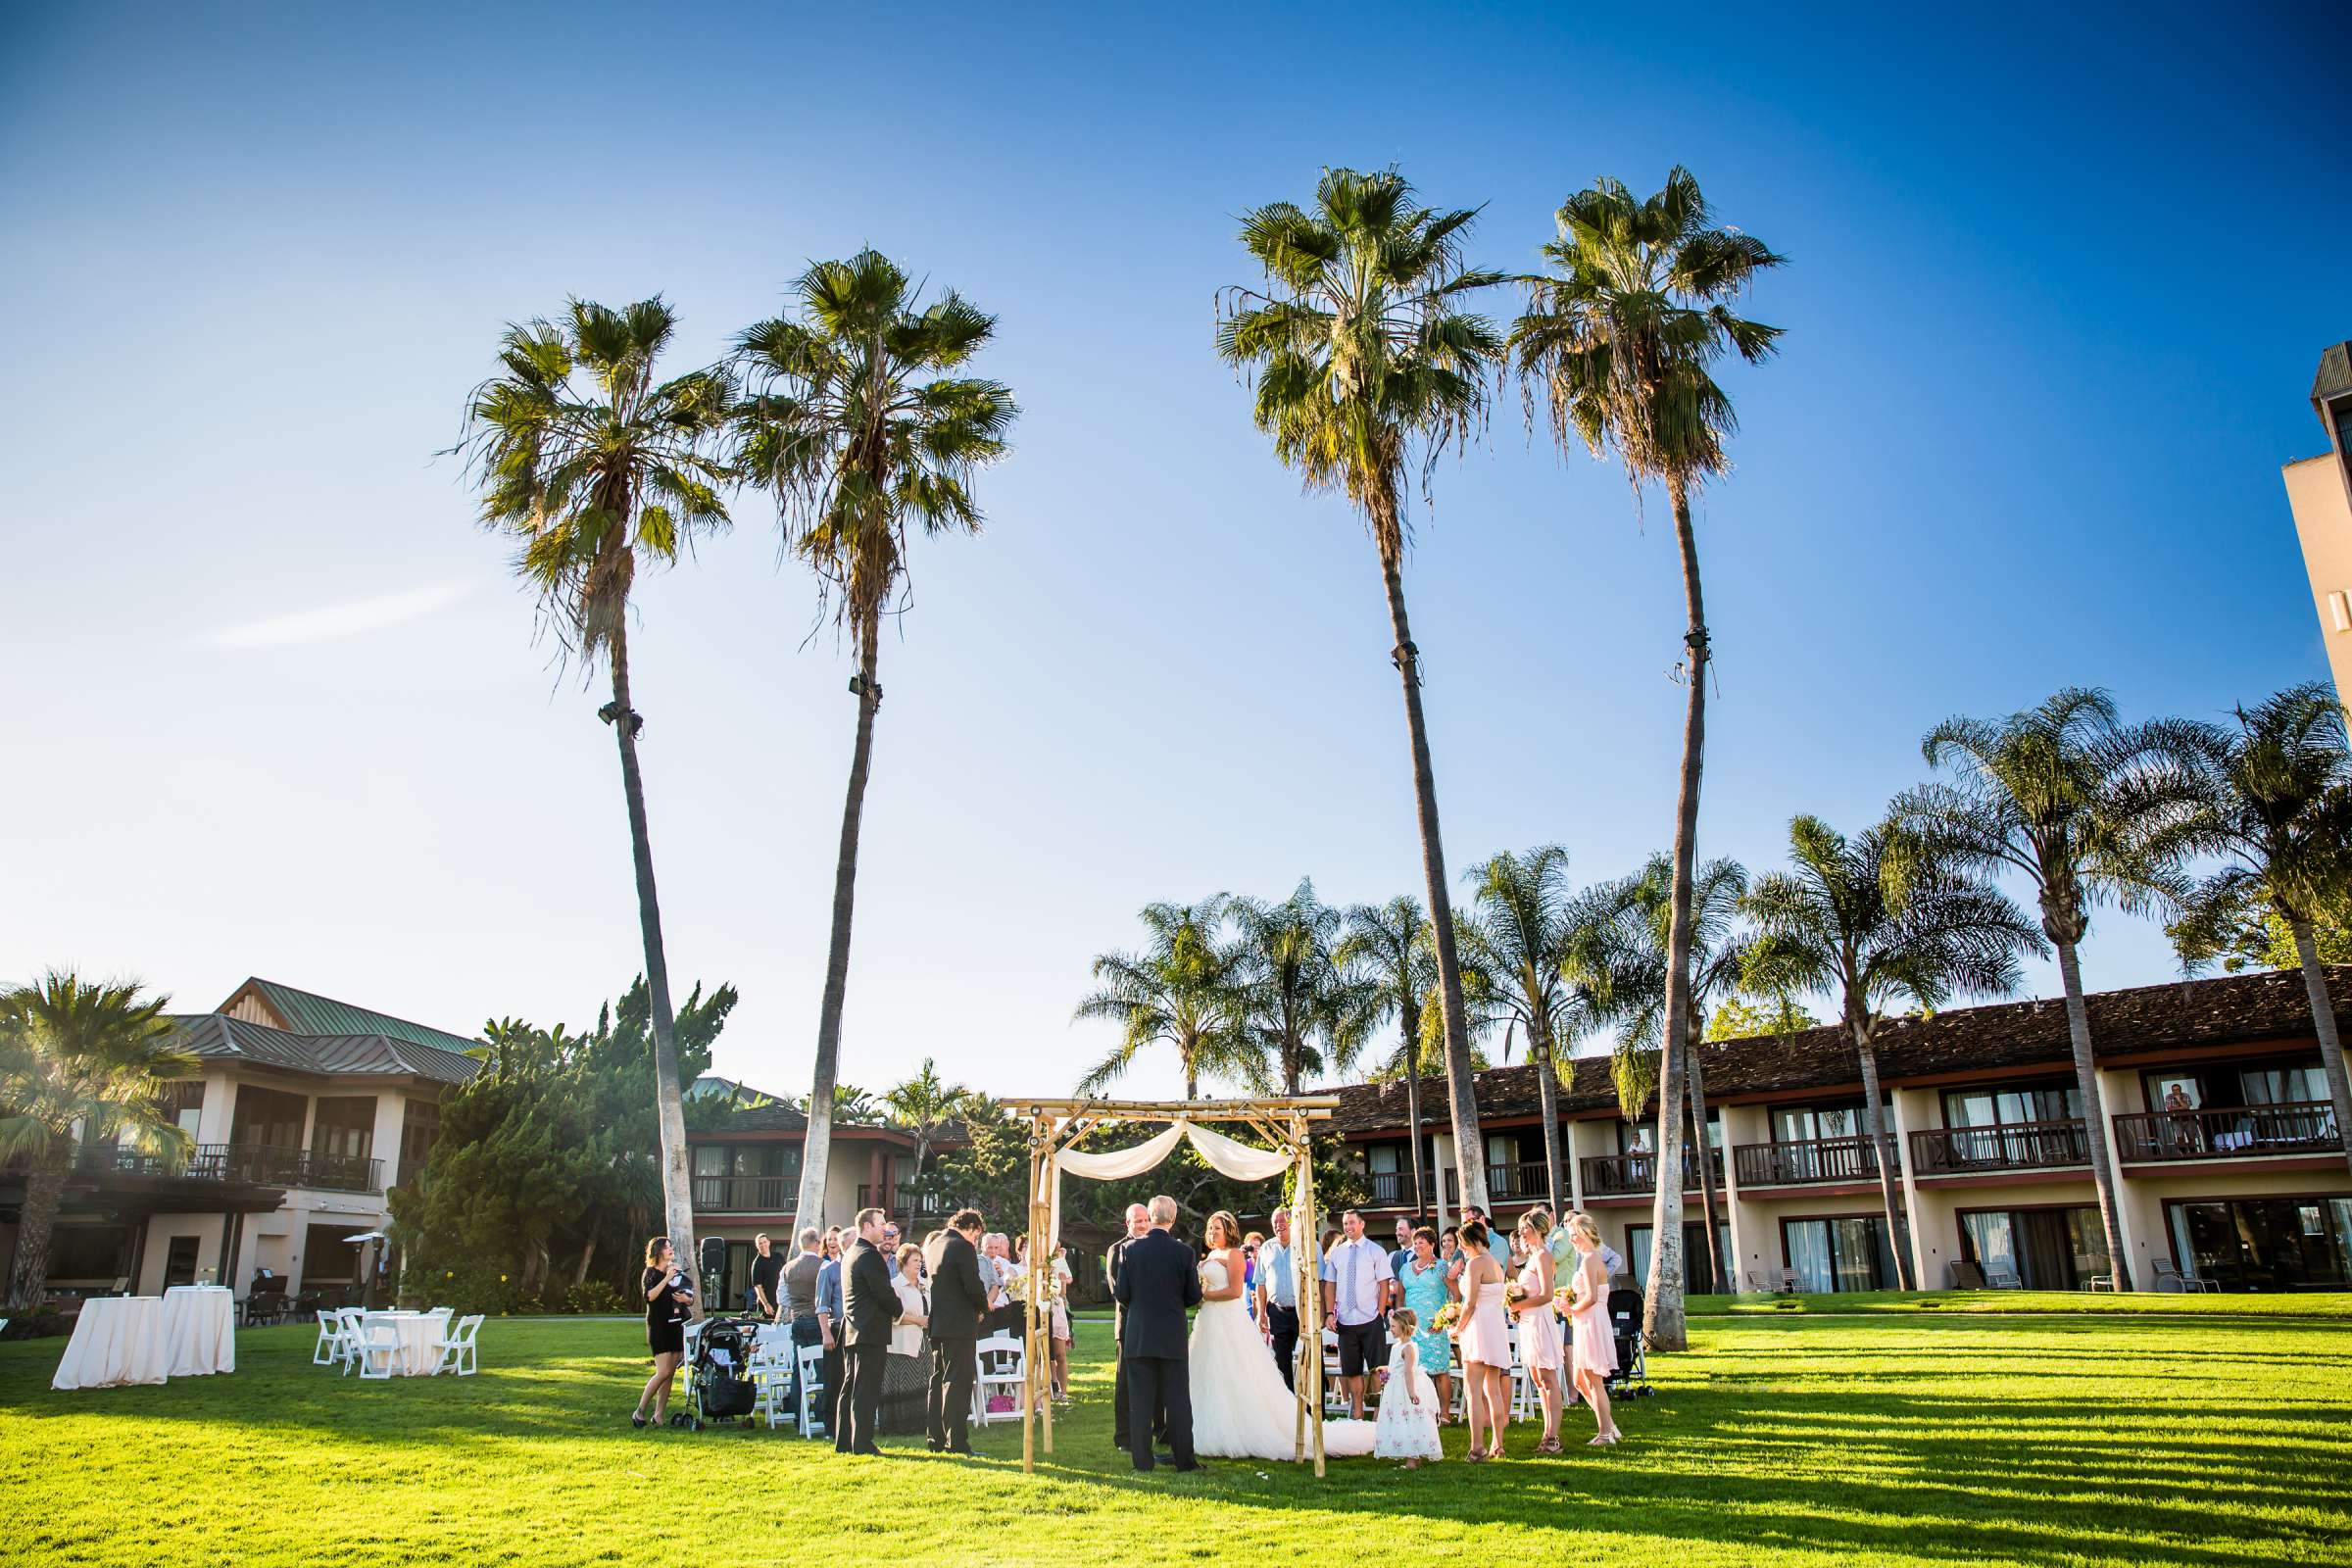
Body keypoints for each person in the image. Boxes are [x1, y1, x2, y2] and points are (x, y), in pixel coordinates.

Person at [1188, 1208, 1376, 1460]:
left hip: (1233, 1319)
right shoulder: (1215, 1254)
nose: (1212, 1232)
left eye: (1217, 1228)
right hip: (1213, 1320)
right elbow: (1259, 1284)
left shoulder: (1234, 1254)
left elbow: (1234, 1291)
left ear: (1229, 1231)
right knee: (1211, 1372)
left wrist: (1205, 1295)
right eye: (1210, 1228)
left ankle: (1296, 1416)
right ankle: (1209, 1425)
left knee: (1236, 1370)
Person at [1112, 1195, 1203, 1472]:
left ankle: (1142, 1461)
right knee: (1177, 1402)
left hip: (1139, 1334)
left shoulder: (1129, 1250)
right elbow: (1193, 1296)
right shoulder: (1184, 1253)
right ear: (1173, 1219)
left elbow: (1121, 1293)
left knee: (1139, 1404)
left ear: (1150, 1218)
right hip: (1171, 1336)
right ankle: (1185, 1461)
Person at [921, 1209, 987, 1454]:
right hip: (959, 1323)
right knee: (958, 1382)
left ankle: (935, 1437)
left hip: (939, 1322)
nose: (976, 1241)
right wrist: (983, 1306)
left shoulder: (935, 1243)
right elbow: (972, 1284)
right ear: (970, 1227)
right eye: (977, 1235)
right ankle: (956, 1441)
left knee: (938, 1379)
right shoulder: (962, 1247)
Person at [1320, 1209, 1394, 1420]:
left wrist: (1380, 1313)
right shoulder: (1337, 1253)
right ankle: (1358, 1413)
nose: (1348, 1227)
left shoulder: (1375, 1251)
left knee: (1377, 1368)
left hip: (1370, 1319)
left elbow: (1384, 1284)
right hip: (1345, 1319)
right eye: (1345, 1223)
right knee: (1351, 1370)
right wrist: (1329, 1313)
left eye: (1352, 1222)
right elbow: (1330, 1285)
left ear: (1362, 1224)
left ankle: (1379, 1414)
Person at [835, 1207, 894, 1455]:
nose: (886, 1230)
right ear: (867, 1226)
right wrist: (900, 1309)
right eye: (881, 1224)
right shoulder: (869, 1256)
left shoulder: (850, 1253)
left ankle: (845, 1440)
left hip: (853, 1329)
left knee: (851, 1386)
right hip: (870, 1330)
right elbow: (883, 1293)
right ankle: (862, 1442)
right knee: (865, 1388)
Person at [1562, 1212, 1622, 1446]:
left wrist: (1570, 1309)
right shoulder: (1590, 1257)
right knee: (1579, 1380)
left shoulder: (1589, 1260)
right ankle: (1609, 1425)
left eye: (1574, 1235)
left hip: (1591, 1320)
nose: (1572, 1240)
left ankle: (1605, 1433)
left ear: (1586, 1234)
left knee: (1593, 1380)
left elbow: (1591, 1297)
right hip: (1588, 1319)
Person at [1454, 1220, 1510, 1462]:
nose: (1461, 1248)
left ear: (1473, 1241)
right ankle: (1498, 1444)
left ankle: (1477, 1448)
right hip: (1495, 1325)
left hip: (1478, 1325)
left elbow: (1471, 1302)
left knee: (1473, 1390)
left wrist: (1458, 1327)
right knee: (1493, 1389)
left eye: (1463, 1243)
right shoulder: (1496, 1264)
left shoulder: (1476, 1263)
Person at [1105, 1202, 1159, 1453]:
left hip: (1155, 1327)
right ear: (1127, 1223)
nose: (1142, 1224)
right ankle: (1125, 1437)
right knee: (1126, 1383)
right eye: (1137, 1220)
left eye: (1145, 1219)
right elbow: (1118, 1290)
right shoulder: (1117, 1249)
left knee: (1158, 1380)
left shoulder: (1157, 1247)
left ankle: (1161, 1431)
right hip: (1128, 1325)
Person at [1510, 1211, 1565, 1453]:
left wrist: (1519, 1305)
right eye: (1521, 1228)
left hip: (1540, 1321)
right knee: (1538, 1380)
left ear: (1538, 1230)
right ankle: (1546, 1433)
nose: (1522, 1232)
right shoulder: (1531, 1258)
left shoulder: (1543, 1256)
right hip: (1527, 1322)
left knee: (1549, 1379)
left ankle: (1553, 1438)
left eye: (1526, 1228)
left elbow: (1546, 1294)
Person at [1393, 1225, 1455, 1424]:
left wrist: (1446, 1318)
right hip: (1412, 1330)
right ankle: (1418, 1411)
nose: (1418, 1245)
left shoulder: (1441, 1267)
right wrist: (1401, 1324)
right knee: (1413, 1371)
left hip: (1435, 1327)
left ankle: (1445, 1413)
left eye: (1422, 1242)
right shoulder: (1405, 1269)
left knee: (1440, 1371)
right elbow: (1400, 1299)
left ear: (1432, 1245)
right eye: (1416, 1242)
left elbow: (1456, 1294)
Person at [631, 1236, 694, 1429]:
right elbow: (649, 1296)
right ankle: (640, 1410)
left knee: (670, 1373)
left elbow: (688, 1297)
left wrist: (686, 1299)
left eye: (671, 1247)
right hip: (659, 1327)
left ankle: (659, 1415)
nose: (670, 1249)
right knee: (663, 1371)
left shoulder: (677, 1273)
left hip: (676, 1326)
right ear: (658, 1252)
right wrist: (667, 1277)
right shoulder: (650, 1273)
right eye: (667, 1247)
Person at [1373, 1307, 1442, 1467]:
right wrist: (1386, 1369)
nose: (1390, 1329)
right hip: (1396, 1389)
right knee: (1401, 1420)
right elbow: (1397, 1366)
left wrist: (1412, 1393)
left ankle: (1412, 1459)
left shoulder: (1409, 1347)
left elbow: (1408, 1371)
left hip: (1405, 1390)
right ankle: (1413, 1457)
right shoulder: (1397, 1346)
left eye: (1393, 1326)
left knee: (1410, 1420)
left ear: (1404, 1327)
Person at [879, 1242, 931, 1435]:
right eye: (914, 1260)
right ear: (903, 1262)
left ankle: (922, 1424)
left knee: (924, 1383)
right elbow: (894, 1316)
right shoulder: (895, 1286)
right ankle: (900, 1426)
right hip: (902, 1343)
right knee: (904, 1384)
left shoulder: (925, 1286)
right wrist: (918, 1320)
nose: (918, 1264)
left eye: (920, 1260)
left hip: (924, 1342)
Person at [1254, 1206, 1302, 1392]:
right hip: (1277, 1312)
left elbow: (1320, 1281)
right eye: (1275, 1222)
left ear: (1291, 1223)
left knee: (1311, 1359)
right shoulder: (1267, 1247)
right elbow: (1260, 1283)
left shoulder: (1303, 1245)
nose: (1278, 1225)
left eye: (1282, 1221)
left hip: (1301, 1312)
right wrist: (1261, 1314)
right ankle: (1289, 1404)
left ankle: (1314, 1411)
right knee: (1282, 1362)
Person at [814, 1236, 845, 1433]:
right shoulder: (828, 1269)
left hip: (853, 1328)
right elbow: (822, 1305)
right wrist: (826, 1333)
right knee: (833, 1380)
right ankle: (831, 1427)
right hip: (835, 1328)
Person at [748, 1233, 783, 1322]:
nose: (763, 1245)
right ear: (757, 1246)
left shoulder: (778, 1256)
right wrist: (766, 1305)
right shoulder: (757, 1264)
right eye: (760, 1243)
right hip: (769, 1305)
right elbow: (758, 1287)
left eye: (764, 1242)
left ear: (769, 1242)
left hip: (782, 1301)